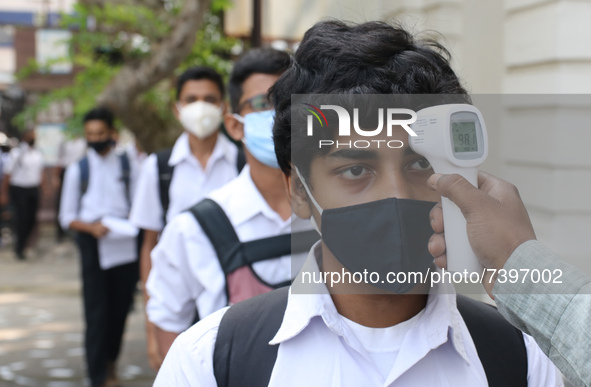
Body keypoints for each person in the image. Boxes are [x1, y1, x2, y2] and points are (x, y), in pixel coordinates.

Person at [154, 21, 562, 386]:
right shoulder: (210, 360)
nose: (396, 195)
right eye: (355, 171)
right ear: (299, 190)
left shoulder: (522, 359)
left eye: (419, 164)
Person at [146, 47, 315, 360]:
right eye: (265, 103)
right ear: (235, 125)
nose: (283, 114)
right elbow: (170, 336)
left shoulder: (339, 213)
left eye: (293, 100)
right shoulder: (192, 230)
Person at [427, 172, 591, 387]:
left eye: (419, 164)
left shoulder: (521, 348)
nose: (395, 192)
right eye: (365, 170)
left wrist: (513, 256)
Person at [128, 66, 241, 369]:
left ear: (224, 107)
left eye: (209, 98)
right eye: (191, 99)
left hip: (234, 303)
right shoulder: (159, 168)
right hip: (180, 307)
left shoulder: (243, 163)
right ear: (176, 108)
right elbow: (149, 246)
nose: (199, 106)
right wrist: (152, 328)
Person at [59, 107, 139, 387]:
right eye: (90, 134)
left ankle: (110, 362)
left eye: (101, 133)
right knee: (96, 312)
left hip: (124, 244)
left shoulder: (129, 166)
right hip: (92, 243)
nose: (95, 138)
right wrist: (91, 228)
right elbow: (67, 217)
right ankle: (97, 376)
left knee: (119, 309)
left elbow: (140, 206)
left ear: (112, 133)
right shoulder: (76, 170)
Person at [1, 129, 44, 260]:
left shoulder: (37, 153)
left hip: (33, 189)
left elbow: (40, 173)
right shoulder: (17, 153)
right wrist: (3, 193)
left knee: (31, 219)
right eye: (31, 135)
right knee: (21, 219)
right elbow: (8, 175)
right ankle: (19, 249)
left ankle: (24, 245)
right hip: (19, 190)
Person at [54, 134, 87, 242]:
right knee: (62, 202)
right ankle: (60, 232)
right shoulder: (64, 139)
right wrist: (56, 176)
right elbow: (59, 158)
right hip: (66, 170)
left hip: (82, 173)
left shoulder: (83, 139)